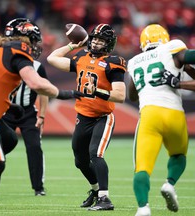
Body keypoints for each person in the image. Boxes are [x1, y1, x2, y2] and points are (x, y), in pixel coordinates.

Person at [0, 18, 83, 216]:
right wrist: (65, 93)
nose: (34, 46)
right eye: (33, 40)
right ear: (24, 38)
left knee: (9, 139)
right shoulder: (17, 49)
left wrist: (11, 105)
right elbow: (36, 83)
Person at [127, 24, 195, 216]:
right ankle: (169, 184)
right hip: (175, 114)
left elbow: (132, 95)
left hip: (150, 114)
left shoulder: (133, 61)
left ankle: (143, 208)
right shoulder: (172, 48)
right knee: (178, 155)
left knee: (142, 167)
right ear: (165, 38)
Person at [47, 23, 126, 211]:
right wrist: (72, 46)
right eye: (95, 39)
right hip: (83, 116)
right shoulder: (81, 56)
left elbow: (120, 96)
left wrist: (97, 90)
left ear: (109, 44)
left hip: (103, 116)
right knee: (80, 161)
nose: (96, 43)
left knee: (95, 154)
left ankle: (105, 199)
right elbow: (52, 58)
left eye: (101, 40)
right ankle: (96, 190)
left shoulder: (113, 62)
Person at [0, 61, 49, 196]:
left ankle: (38, 187)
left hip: (28, 112)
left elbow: (44, 91)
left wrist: (42, 116)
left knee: (34, 147)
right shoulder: (5, 63)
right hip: (6, 111)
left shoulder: (37, 66)